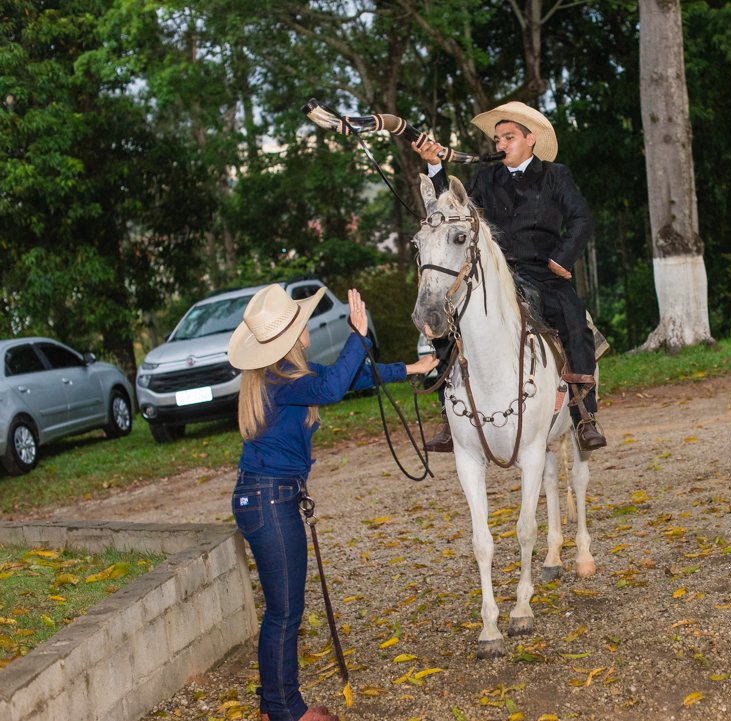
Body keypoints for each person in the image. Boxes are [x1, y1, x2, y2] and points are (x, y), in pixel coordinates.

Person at [227, 283, 437, 721]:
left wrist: (411, 368)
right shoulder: (281, 379)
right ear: (292, 333)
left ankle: (272, 706)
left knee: (282, 611)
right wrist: (357, 334)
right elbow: (333, 389)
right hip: (269, 500)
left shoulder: (284, 373)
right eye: (303, 320)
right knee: (285, 613)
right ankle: (286, 710)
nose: (308, 324)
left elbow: (350, 377)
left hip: (266, 497)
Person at [412, 101, 607, 452]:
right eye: (497, 139)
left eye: (509, 137)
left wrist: (562, 257)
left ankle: (584, 415)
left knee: (573, 319)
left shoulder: (555, 175)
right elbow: (452, 209)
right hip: (494, 273)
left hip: (543, 272)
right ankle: (448, 417)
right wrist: (435, 165)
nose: (500, 143)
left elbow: (582, 218)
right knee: (448, 322)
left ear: (531, 139)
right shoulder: (487, 177)